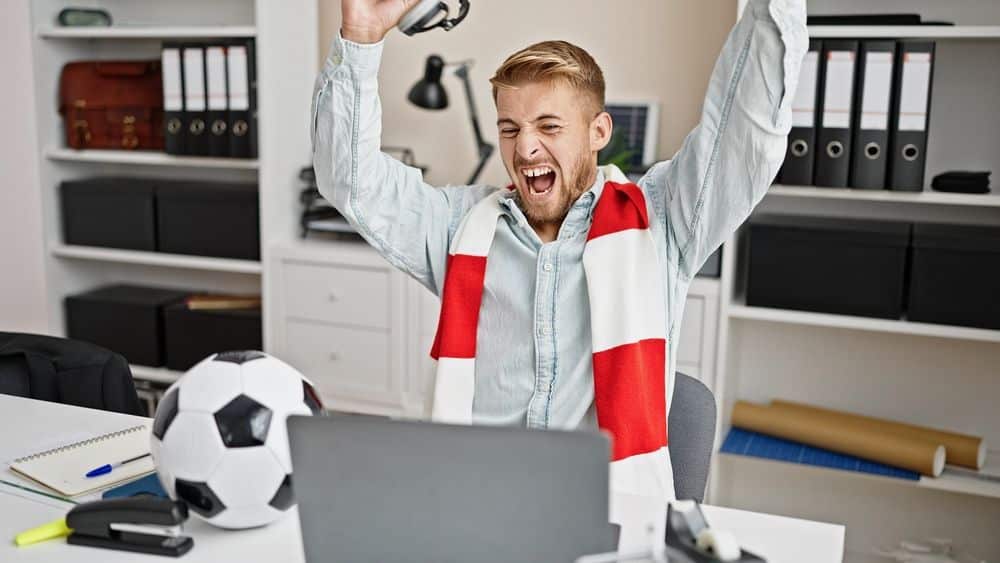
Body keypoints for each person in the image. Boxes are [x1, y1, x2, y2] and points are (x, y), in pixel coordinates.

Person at [312, 0, 807, 500]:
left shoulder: (662, 221)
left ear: (598, 132)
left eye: (549, 127)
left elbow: (744, 134)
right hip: (475, 497)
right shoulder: (458, 226)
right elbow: (351, 183)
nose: (525, 148)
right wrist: (361, 36)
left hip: (604, 509)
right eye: (510, 129)